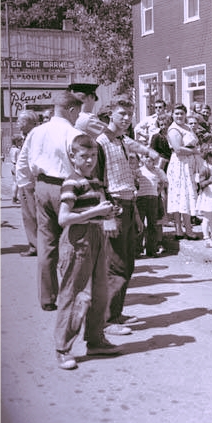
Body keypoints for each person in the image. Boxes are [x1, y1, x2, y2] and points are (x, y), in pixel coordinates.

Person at [54, 134, 123, 370]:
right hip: (77, 241)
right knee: (74, 296)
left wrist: (109, 212)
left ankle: (95, 340)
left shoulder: (95, 182)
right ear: (73, 157)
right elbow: (64, 218)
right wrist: (94, 213)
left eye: (93, 155)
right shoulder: (72, 182)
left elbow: (97, 209)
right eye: (84, 156)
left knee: (100, 293)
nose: (89, 160)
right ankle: (63, 348)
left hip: (96, 237)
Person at [95, 95, 160, 336]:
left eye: (129, 115)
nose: (126, 118)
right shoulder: (101, 142)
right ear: (110, 114)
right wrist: (107, 216)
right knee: (115, 265)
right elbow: (97, 182)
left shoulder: (122, 140)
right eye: (121, 114)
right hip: (114, 206)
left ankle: (117, 312)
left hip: (128, 204)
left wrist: (133, 214)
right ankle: (107, 320)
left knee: (128, 263)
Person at [15, 91, 83, 311]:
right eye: (77, 112)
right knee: (74, 240)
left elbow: (23, 163)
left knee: (46, 242)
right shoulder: (73, 132)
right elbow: (81, 164)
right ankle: (71, 293)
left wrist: (28, 186)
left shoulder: (36, 132)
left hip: (42, 186)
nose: (77, 116)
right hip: (67, 186)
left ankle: (47, 297)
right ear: (71, 110)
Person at [166, 104, 201, 240]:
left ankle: (186, 228)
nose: (179, 116)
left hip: (189, 165)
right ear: (172, 115)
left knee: (186, 195)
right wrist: (195, 151)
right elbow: (178, 149)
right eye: (176, 114)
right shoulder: (173, 129)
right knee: (180, 195)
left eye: (181, 113)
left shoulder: (186, 127)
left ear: (185, 114)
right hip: (180, 164)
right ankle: (181, 229)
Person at [14, 110, 41, 257]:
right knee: (30, 214)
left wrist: (31, 180)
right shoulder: (29, 135)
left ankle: (35, 246)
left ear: (31, 122)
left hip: (28, 182)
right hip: (25, 181)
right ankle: (35, 244)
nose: (18, 124)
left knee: (30, 215)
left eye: (21, 121)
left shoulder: (34, 135)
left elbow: (33, 159)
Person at [135, 152, 168, 257]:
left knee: (152, 225)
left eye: (151, 158)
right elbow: (134, 182)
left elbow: (164, 182)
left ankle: (151, 250)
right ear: (143, 159)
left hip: (153, 199)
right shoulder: (138, 171)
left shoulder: (158, 171)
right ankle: (137, 250)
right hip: (141, 199)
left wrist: (158, 192)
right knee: (139, 224)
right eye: (146, 157)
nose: (149, 159)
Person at [9, 134, 24, 203]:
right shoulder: (17, 150)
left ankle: (14, 197)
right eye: (21, 141)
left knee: (14, 183)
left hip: (12, 166)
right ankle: (15, 198)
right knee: (18, 183)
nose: (22, 142)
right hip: (16, 167)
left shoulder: (11, 149)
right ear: (16, 141)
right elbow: (19, 160)